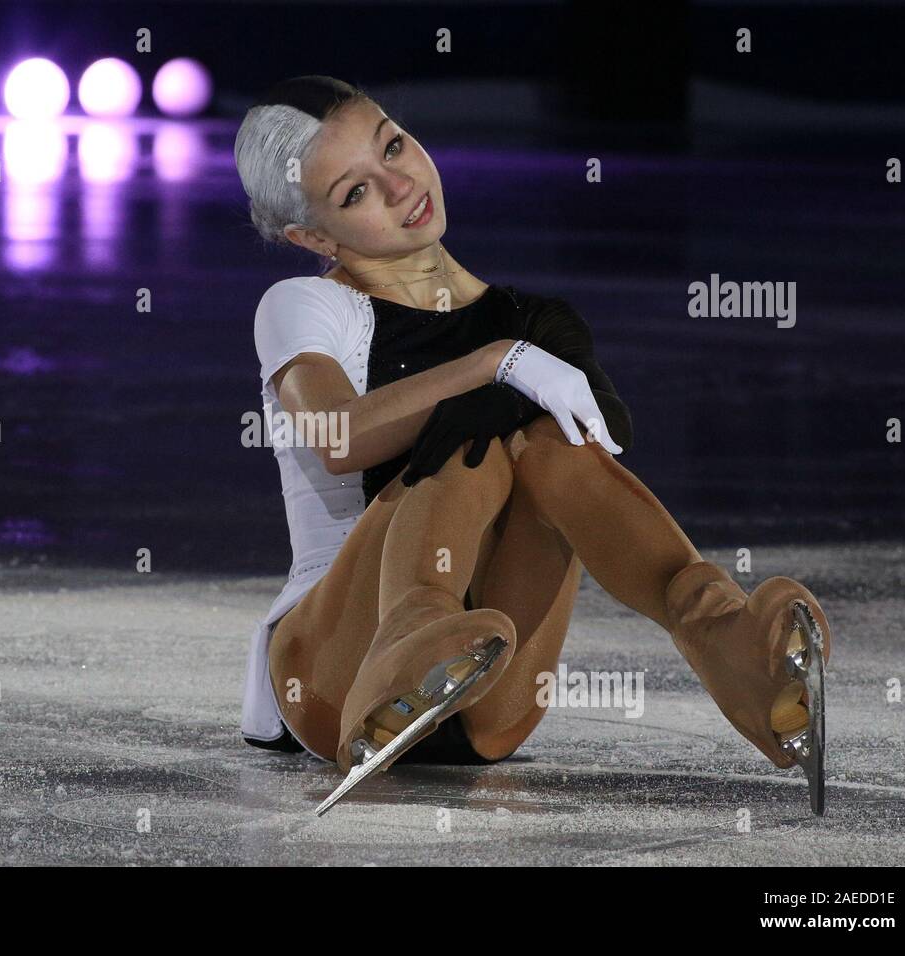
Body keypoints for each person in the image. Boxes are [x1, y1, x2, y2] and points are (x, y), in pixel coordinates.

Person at [232, 76, 830, 814]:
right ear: (314, 237)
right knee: (469, 438)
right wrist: (494, 363)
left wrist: (514, 362)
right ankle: (410, 630)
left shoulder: (533, 319)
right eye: (356, 193)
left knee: (550, 440)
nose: (399, 184)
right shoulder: (306, 306)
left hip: (491, 692)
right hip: (334, 673)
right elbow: (337, 435)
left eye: (394, 146)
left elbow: (605, 433)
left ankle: (719, 630)